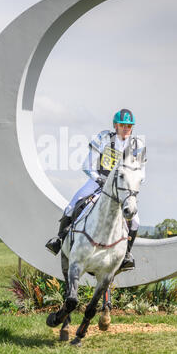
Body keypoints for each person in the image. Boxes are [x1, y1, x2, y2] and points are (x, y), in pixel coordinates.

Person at [45, 108, 146, 270]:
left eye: (128, 126)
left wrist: (131, 185)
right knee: (73, 204)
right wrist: (99, 179)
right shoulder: (104, 138)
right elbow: (86, 165)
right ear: (115, 125)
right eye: (122, 125)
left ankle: (126, 254)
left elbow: (141, 171)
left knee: (135, 221)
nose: (125, 129)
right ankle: (59, 239)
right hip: (99, 179)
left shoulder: (137, 144)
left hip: (122, 187)